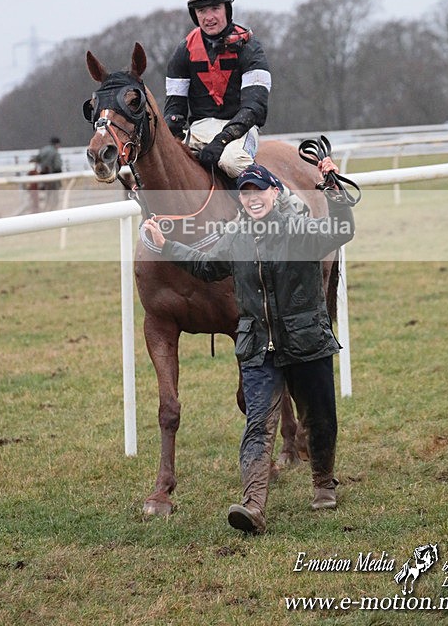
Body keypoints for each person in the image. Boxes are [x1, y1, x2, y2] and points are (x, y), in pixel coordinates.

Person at [143, 158, 355, 535]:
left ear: (275, 193)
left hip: (306, 342)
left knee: (319, 419)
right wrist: (166, 245)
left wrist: (334, 192)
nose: (253, 199)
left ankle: (323, 482)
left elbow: (341, 233)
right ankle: (253, 505)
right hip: (260, 347)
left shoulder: (299, 228)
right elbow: (205, 266)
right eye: (246, 194)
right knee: (257, 425)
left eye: (259, 192)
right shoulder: (236, 237)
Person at [164, 0, 271, 178]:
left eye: (215, 8)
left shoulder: (250, 48)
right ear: (194, 14)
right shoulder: (183, 51)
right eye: (202, 10)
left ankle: (284, 201)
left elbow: (254, 108)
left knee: (231, 162)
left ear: (227, 9)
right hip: (199, 130)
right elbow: (174, 110)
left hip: (241, 130)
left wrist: (222, 140)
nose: (209, 17)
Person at [35, 136, 63, 209]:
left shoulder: (43, 150)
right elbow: (57, 166)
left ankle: (45, 208)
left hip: (43, 176)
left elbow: (36, 159)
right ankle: (52, 209)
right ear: (57, 144)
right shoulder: (55, 152)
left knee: (45, 195)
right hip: (53, 177)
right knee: (54, 196)